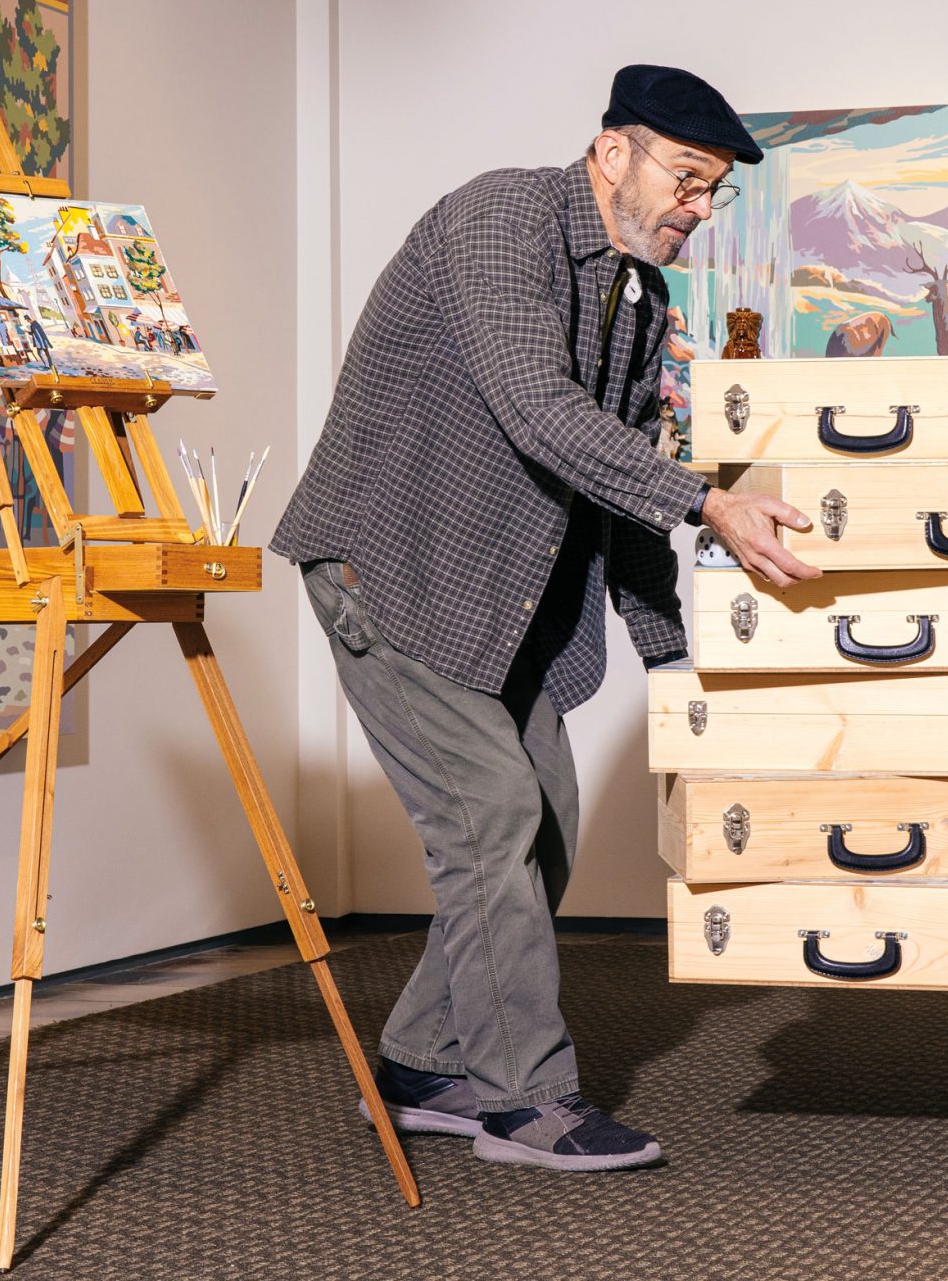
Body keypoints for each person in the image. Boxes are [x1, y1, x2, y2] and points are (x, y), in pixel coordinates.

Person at [273, 65, 819, 1173]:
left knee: (547, 822)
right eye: (685, 177)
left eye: (712, 190)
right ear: (613, 152)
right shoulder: (499, 220)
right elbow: (539, 409)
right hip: (391, 567)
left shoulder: (640, 297)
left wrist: (674, 663)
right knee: (490, 818)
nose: (697, 207)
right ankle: (522, 1101)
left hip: (495, 594)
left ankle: (423, 1062)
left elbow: (618, 483)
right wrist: (708, 501)